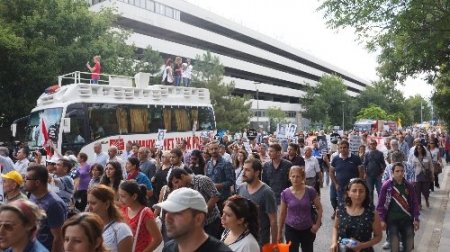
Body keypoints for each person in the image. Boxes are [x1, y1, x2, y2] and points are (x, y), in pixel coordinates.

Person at [156, 187, 232, 252]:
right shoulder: (168, 248)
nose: (167, 218)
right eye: (167, 211)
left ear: (198, 219)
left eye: (176, 213)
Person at [377, 162, 420, 252]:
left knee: (408, 246)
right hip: (392, 220)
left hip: (406, 219)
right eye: (397, 171)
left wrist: (416, 219)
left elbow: (414, 202)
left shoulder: (409, 186)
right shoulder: (387, 186)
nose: (400, 173)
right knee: (394, 246)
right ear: (392, 173)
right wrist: (381, 220)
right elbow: (380, 205)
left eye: (402, 171)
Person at [330, 178, 382, 252]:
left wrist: (362, 246)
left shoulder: (372, 213)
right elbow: (335, 227)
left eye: (361, 191)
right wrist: (334, 242)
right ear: (348, 193)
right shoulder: (341, 209)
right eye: (354, 191)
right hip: (343, 249)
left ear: (366, 193)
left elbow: (378, 236)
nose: (358, 194)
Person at [278, 166, 322, 252]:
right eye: (293, 176)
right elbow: (282, 214)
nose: (295, 179)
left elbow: (319, 208)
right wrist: (280, 232)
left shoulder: (310, 191)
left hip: (308, 229)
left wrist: (317, 224)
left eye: (298, 176)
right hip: (291, 228)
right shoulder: (285, 193)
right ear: (289, 177)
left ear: (302, 177)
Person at [168, 168, 222, 239]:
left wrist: (204, 211)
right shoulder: (184, 188)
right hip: (197, 225)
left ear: (183, 176)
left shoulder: (202, 180)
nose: (177, 186)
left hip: (212, 222)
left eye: (177, 182)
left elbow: (215, 196)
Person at [25, 165, 67, 252]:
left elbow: (58, 238)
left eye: (27, 178)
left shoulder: (54, 204)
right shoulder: (33, 195)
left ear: (37, 182)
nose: (24, 181)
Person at [238, 159, 278, 246]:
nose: (243, 173)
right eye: (243, 169)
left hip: (260, 241)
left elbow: (273, 221)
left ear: (256, 173)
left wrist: (274, 245)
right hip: (242, 238)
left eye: (247, 170)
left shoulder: (267, 192)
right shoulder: (241, 188)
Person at [119, 181, 162, 252]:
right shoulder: (123, 209)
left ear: (134, 196)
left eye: (123, 196)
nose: (120, 200)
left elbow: (158, 239)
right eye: (119, 196)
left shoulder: (145, 214)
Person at [87, 185, 133, 252]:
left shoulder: (121, 230)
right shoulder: (87, 226)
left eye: (93, 203)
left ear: (107, 204)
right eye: (88, 203)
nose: (89, 208)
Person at [330, 140, 364, 204]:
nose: (342, 149)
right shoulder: (335, 159)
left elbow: (361, 172)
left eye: (344, 147)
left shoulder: (356, 158)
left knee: (352, 204)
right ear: (339, 148)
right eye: (341, 148)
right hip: (340, 187)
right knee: (341, 204)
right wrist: (336, 184)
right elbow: (331, 172)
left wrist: (359, 184)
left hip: (352, 188)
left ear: (348, 148)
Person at [411, 143, 433, 208]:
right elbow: (412, 167)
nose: (419, 149)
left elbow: (431, 166)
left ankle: (426, 199)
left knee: (425, 190)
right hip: (417, 175)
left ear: (422, 149)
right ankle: (419, 204)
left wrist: (432, 174)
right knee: (417, 191)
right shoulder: (414, 157)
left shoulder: (427, 156)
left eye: (420, 148)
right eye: (417, 148)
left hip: (426, 175)